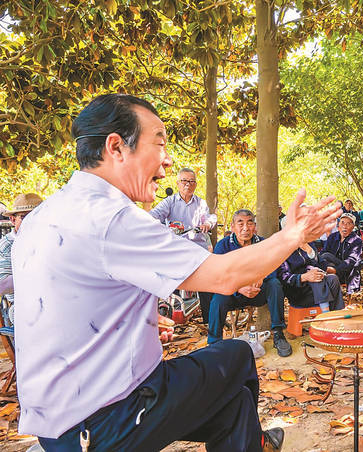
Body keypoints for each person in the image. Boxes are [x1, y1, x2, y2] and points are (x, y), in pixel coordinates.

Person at [11, 93, 341, 451]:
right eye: (160, 143)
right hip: (107, 420)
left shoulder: (43, 216)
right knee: (237, 356)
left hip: (57, 424)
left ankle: (255, 441)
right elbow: (224, 275)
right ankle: (257, 442)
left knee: (235, 405)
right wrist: (293, 235)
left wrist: (129, 320)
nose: (167, 162)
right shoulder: (111, 217)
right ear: (116, 147)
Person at [207, 209, 291, 357]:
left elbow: (273, 266)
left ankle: (278, 334)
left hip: (258, 292)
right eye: (240, 223)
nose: (245, 228)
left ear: (255, 226)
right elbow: (218, 274)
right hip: (234, 294)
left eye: (249, 223)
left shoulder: (263, 243)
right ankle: (214, 343)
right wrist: (238, 287)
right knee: (218, 299)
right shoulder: (223, 245)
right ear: (232, 226)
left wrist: (261, 277)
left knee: (275, 284)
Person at [149, 167, 217, 323]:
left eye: (192, 181)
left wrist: (207, 223)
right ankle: (159, 318)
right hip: (175, 250)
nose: (188, 184)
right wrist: (163, 228)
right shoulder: (169, 202)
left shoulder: (201, 203)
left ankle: (210, 321)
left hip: (197, 250)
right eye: (184, 181)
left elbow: (211, 217)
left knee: (207, 284)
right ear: (178, 183)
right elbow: (153, 216)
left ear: (195, 184)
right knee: (158, 279)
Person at [277, 240, 344, 312]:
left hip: (316, 289)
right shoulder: (282, 250)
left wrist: (311, 253)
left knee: (333, 279)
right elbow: (284, 277)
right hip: (299, 293)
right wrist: (305, 277)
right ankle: (326, 314)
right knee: (315, 277)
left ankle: (337, 314)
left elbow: (322, 265)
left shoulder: (308, 243)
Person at [0, 193, 43, 302]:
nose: (31, 221)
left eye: (36, 216)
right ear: (13, 220)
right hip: (19, 304)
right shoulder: (7, 245)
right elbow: (2, 285)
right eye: (24, 217)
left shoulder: (48, 238)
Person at [321, 213, 362, 294]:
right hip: (332, 266)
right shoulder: (332, 237)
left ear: (353, 227)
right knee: (324, 257)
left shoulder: (357, 240)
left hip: (348, 271)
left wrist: (336, 270)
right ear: (338, 225)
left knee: (326, 256)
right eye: (342, 222)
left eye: (348, 223)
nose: (345, 226)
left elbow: (352, 260)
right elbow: (324, 251)